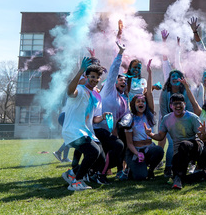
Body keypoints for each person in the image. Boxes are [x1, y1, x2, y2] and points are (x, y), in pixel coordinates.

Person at [146, 93, 206, 189]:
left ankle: (177, 178)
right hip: (179, 152)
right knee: (180, 173)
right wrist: (150, 134)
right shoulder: (167, 119)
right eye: (175, 104)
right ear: (171, 106)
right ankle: (203, 174)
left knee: (184, 144)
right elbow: (160, 136)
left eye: (180, 103)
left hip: (195, 147)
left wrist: (204, 133)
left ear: (184, 104)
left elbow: (203, 138)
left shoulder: (192, 117)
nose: (178, 106)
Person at [61, 58, 108, 191]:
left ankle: (72, 174)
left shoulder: (95, 96)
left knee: (99, 155)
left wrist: (103, 117)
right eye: (92, 76)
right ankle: (77, 181)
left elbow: (94, 119)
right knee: (93, 151)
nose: (95, 79)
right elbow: (70, 91)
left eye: (97, 77)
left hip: (86, 131)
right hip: (73, 131)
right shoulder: (80, 90)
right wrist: (81, 70)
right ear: (86, 77)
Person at [124, 60, 163, 180]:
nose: (137, 70)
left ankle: (150, 169)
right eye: (134, 67)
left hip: (147, 147)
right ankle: (129, 167)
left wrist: (149, 73)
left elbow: (149, 94)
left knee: (158, 150)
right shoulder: (129, 118)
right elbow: (126, 90)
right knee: (140, 177)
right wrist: (137, 153)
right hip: (135, 148)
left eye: (139, 68)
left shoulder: (149, 114)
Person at [95, 41, 128, 179]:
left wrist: (117, 126)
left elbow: (124, 115)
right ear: (114, 82)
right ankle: (86, 172)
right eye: (121, 80)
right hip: (96, 127)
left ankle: (101, 172)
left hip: (107, 131)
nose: (123, 81)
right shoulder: (109, 90)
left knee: (117, 146)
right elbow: (114, 70)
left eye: (125, 81)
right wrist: (120, 53)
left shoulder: (123, 100)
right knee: (98, 152)